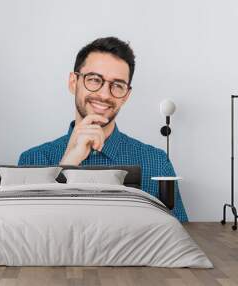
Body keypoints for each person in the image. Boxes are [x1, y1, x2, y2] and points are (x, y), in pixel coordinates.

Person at [18, 37, 188, 222]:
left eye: (117, 85)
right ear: (73, 82)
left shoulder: (157, 163)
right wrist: (68, 163)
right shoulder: (31, 160)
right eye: (93, 80)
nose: (105, 94)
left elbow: (179, 236)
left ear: (126, 96)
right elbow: (28, 236)